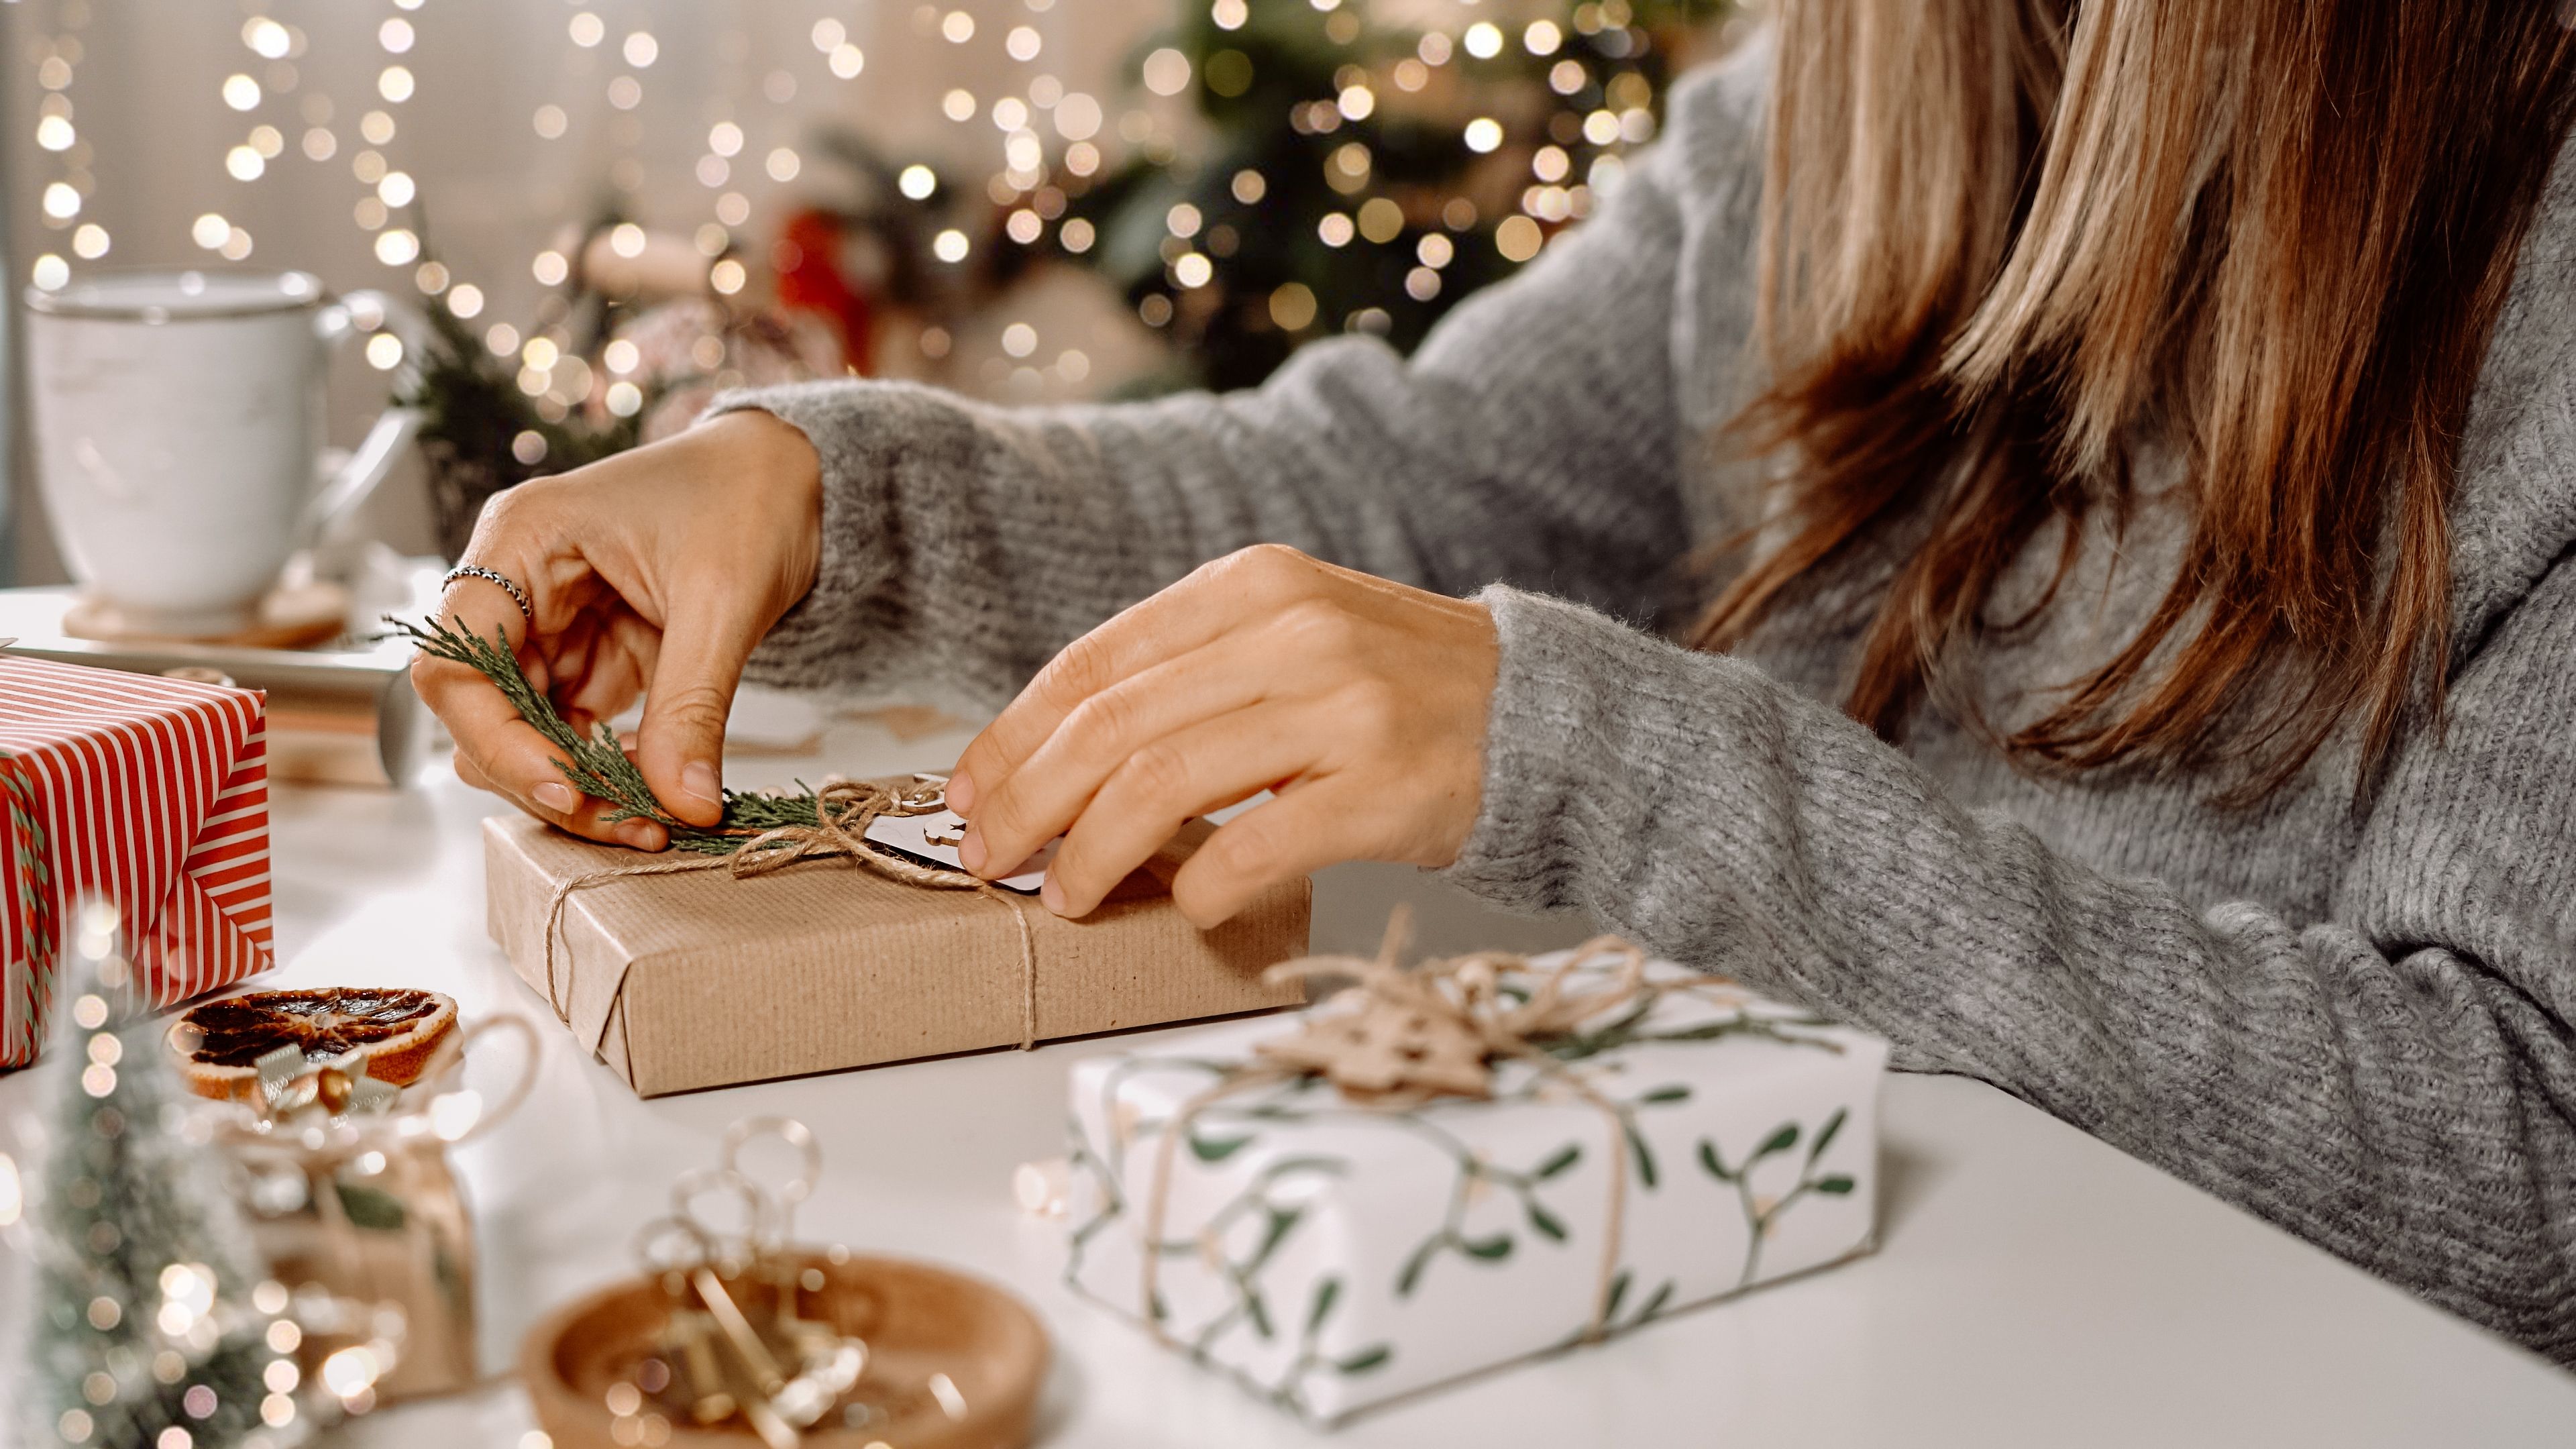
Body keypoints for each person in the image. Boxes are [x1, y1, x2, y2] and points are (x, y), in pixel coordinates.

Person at [416, 3, 2576, 1362]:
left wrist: (1610, 764)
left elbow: (2529, 1164)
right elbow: (1395, 481)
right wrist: (818, 496)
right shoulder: (1824, 115)